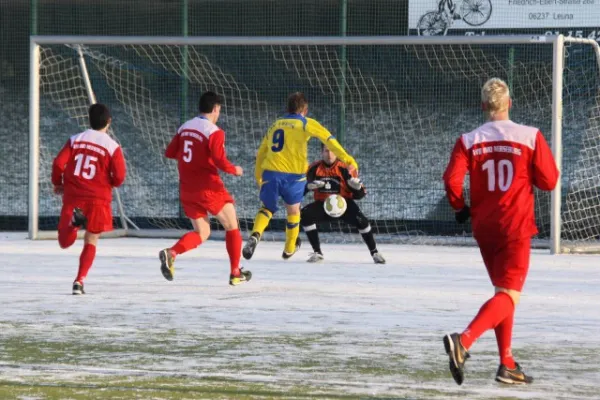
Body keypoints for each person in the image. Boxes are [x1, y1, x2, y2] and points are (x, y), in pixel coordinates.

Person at [442, 78, 559, 385]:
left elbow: (452, 181)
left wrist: (460, 208)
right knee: (509, 295)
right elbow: (549, 181)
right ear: (509, 103)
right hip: (515, 225)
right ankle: (463, 341)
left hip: (484, 227)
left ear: (483, 106)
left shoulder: (468, 140)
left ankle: (507, 363)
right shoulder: (530, 136)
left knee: (503, 293)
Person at [243, 92, 358, 260]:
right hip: (294, 177)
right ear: (305, 110)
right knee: (294, 210)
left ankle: (255, 235)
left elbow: (261, 152)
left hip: (271, 173)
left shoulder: (276, 125)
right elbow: (328, 139)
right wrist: (347, 159)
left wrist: (258, 175)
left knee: (266, 208)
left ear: (288, 108)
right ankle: (289, 248)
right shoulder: (305, 123)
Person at [159, 91, 250, 286]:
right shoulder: (214, 131)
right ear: (216, 109)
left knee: (203, 233)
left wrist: (191, 161)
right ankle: (235, 272)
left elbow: (170, 152)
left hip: (187, 188)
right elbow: (218, 160)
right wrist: (235, 170)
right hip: (208, 187)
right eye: (219, 110)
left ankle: (172, 252)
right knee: (232, 225)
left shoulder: (185, 127)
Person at [52, 103, 126, 295]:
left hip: (74, 195)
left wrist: (58, 182)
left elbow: (59, 163)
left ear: (89, 120)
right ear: (108, 122)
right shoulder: (112, 147)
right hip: (98, 198)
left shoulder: (75, 140)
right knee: (92, 238)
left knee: (64, 242)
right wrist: (107, 181)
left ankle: (74, 223)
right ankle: (79, 281)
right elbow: (119, 178)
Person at [301, 145, 385, 264]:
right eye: (326, 151)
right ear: (321, 153)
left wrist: (357, 188)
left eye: (332, 151)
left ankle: (375, 252)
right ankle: (317, 253)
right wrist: (308, 187)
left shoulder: (346, 169)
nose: (329, 154)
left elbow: (360, 195)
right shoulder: (313, 168)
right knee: (304, 215)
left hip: (344, 204)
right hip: (323, 204)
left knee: (362, 221)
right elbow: (299, 191)